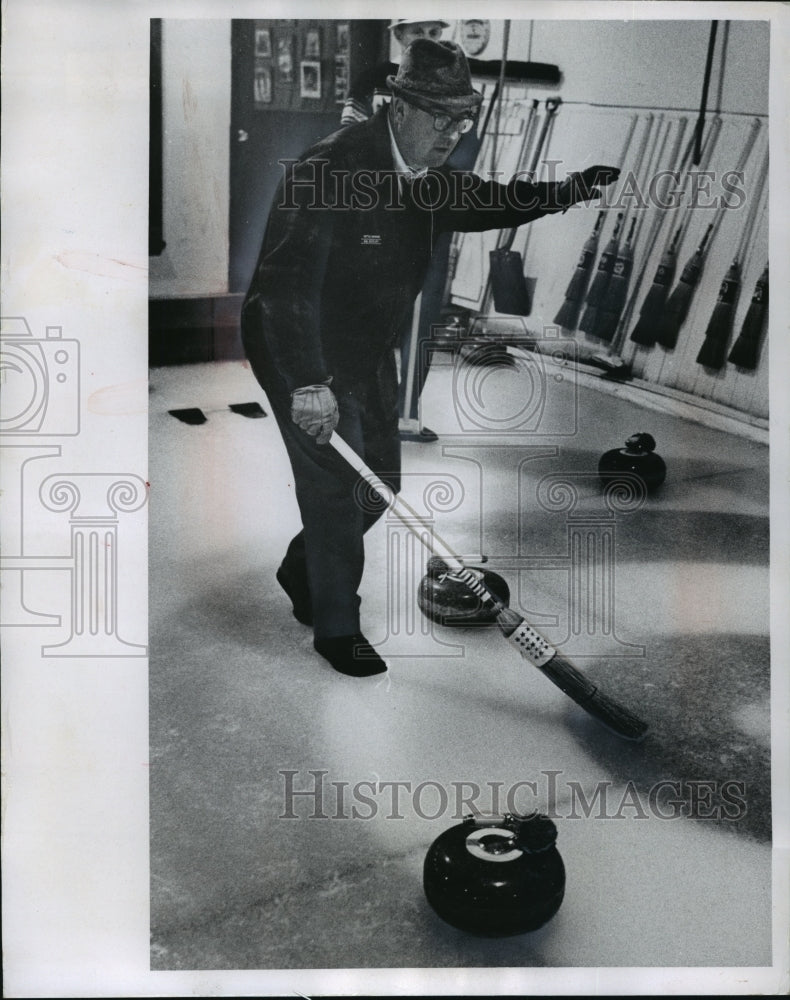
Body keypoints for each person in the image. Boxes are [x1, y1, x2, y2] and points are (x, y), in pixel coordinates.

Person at [241, 38, 618, 677]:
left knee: (379, 486)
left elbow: (489, 201)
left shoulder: (424, 177)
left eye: (461, 119)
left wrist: (570, 190)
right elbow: (285, 285)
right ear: (398, 106)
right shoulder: (331, 168)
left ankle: (301, 567)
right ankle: (337, 629)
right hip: (295, 345)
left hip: (362, 346)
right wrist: (308, 382)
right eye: (439, 117)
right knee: (336, 489)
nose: (451, 132)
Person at [342, 19, 562, 441]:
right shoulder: (370, 86)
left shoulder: (451, 86)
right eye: (416, 31)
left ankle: (405, 416)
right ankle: (360, 413)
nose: (428, 38)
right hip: (373, 224)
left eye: (435, 30)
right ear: (399, 37)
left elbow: (459, 161)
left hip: (428, 219)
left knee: (422, 316)